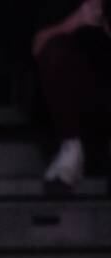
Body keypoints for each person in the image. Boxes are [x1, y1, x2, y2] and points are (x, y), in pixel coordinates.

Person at [32, 0, 111, 192]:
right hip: (80, 105)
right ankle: (71, 152)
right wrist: (75, 21)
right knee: (54, 52)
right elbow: (38, 45)